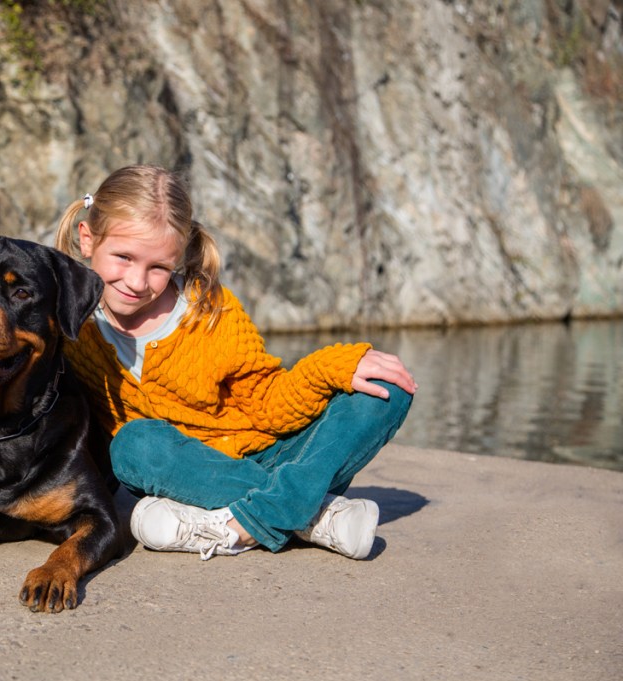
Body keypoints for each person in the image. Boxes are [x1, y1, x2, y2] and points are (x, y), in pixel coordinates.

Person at [53, 164, 416, 561]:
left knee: (388, 390)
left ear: (178, 258)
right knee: (134, 446)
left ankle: (248, 523)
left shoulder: (209, 309)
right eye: (123, 257)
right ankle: (309, 511)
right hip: (185, 470)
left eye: (158, 268)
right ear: (87, 239)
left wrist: (336, 366)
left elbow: (268, 400)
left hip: (273, 454)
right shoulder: (72, 323)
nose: (137, 282)